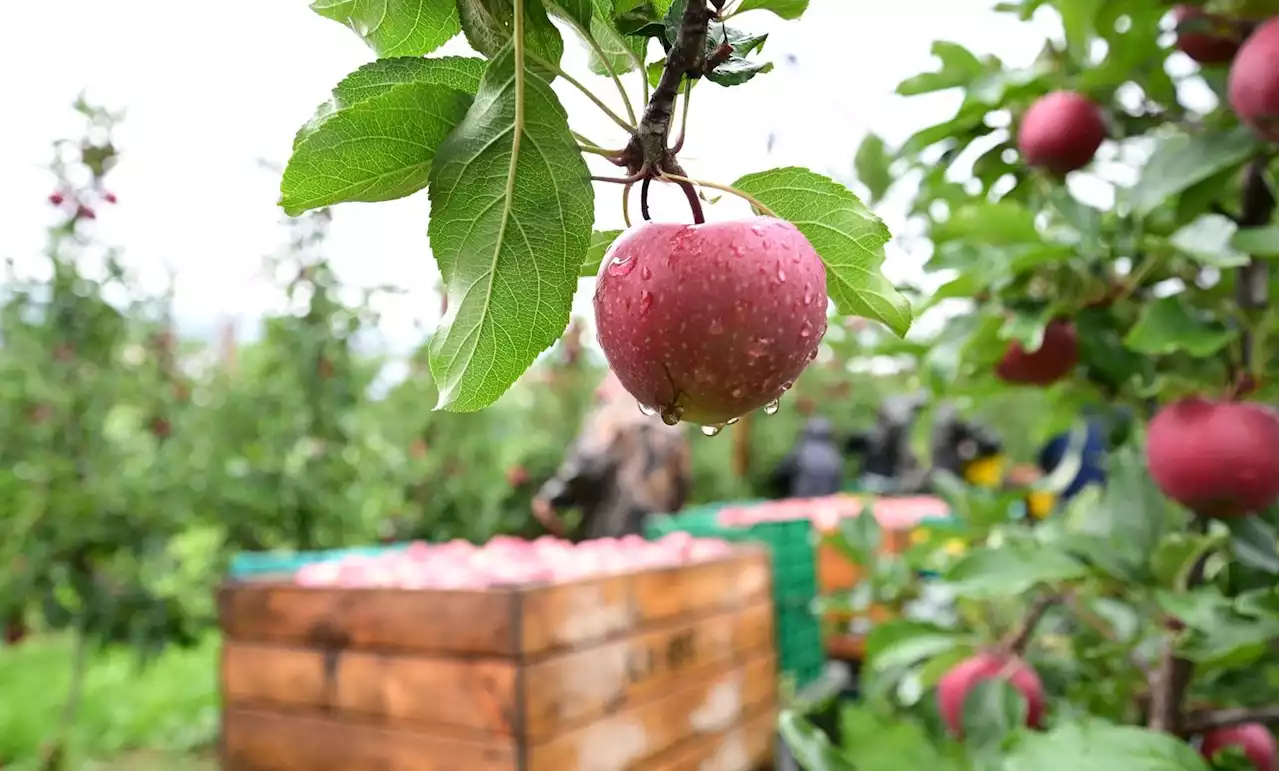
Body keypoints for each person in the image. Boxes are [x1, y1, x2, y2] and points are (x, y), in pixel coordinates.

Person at [532, 371, 692, 541]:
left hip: (611, 537)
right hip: (656, 535)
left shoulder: (610, 424)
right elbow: (681, 488)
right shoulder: (672, 432)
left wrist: (551, 496)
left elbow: (584, 471)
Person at [769, 417, 845, 499]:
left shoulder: (800, 451)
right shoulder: (834, 455)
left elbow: (779, 475)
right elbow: (838, 483)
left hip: (801, 501)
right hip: (827, 504)